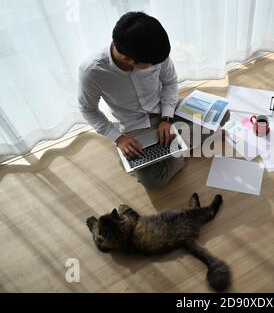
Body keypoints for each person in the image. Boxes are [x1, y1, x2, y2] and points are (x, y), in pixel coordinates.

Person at [78, 11, 227, 189]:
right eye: (151, 65)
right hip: (134, 125)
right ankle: (181, 148)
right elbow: (88, 109)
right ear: (128, 59)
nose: (158, 64)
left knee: (223, 114)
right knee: (153, 181)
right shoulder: (92, 72)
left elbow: (170, 82)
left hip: (167, 109)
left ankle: (173, 151)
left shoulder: (152, 50)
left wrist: (167, 119)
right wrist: (118, 138)